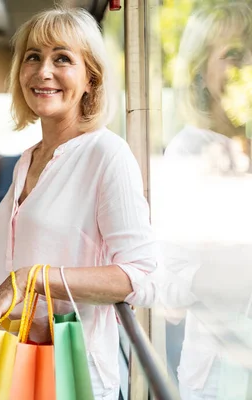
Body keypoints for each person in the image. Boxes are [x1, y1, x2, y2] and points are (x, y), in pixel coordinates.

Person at [0, 8, 157, 400]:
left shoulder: (107, 153)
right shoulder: (27, 160)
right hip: (12, 358)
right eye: (33, 56)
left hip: (72, 372)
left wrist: (30, 278)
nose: (43, 71)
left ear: (91, 79)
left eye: (62, 58)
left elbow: (142, 277)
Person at [153, 3, 252, 398]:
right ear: (200, 69)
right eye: (234, 55)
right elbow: (173, 283)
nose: (248, 67)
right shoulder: (192, 152)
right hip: (223, 369)